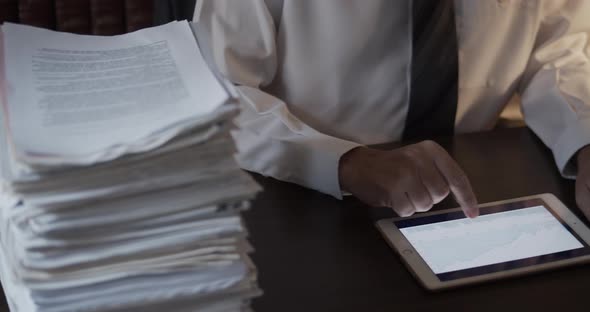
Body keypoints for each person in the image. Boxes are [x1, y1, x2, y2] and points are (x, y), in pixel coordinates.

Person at [193, 0, 590, 220]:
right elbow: (217, 94)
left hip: (469, 192)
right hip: (301, 200)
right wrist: (346, 162)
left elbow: (560, 52)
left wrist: (584, 139)